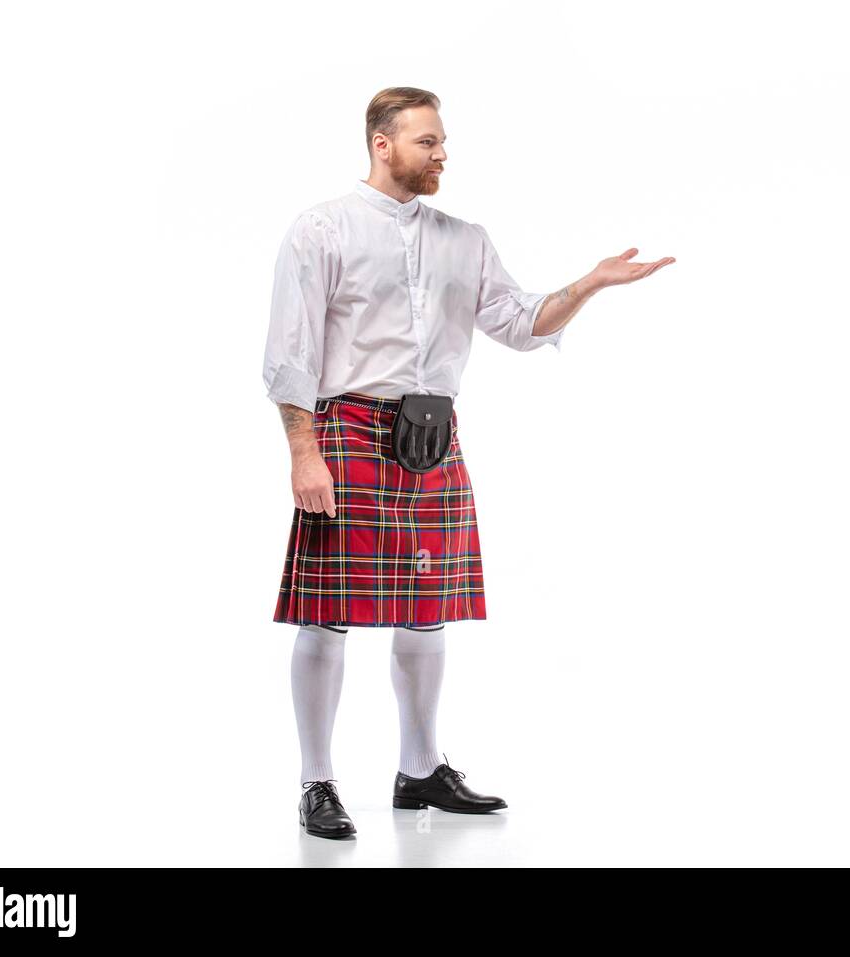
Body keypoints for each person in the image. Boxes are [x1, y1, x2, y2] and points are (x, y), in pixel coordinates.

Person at [263, 87, 675, 839]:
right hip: (348, 433)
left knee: (428, 614)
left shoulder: (465, 238)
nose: (442, 152)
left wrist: (587, 285)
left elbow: (519, 324)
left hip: (432, 440)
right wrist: (303, 453)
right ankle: (316, 781)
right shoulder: (320, 229)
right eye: (428, 141)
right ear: (382, 143)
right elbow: (290, 355)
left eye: (443, 140)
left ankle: (419, 770)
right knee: (325, 617)